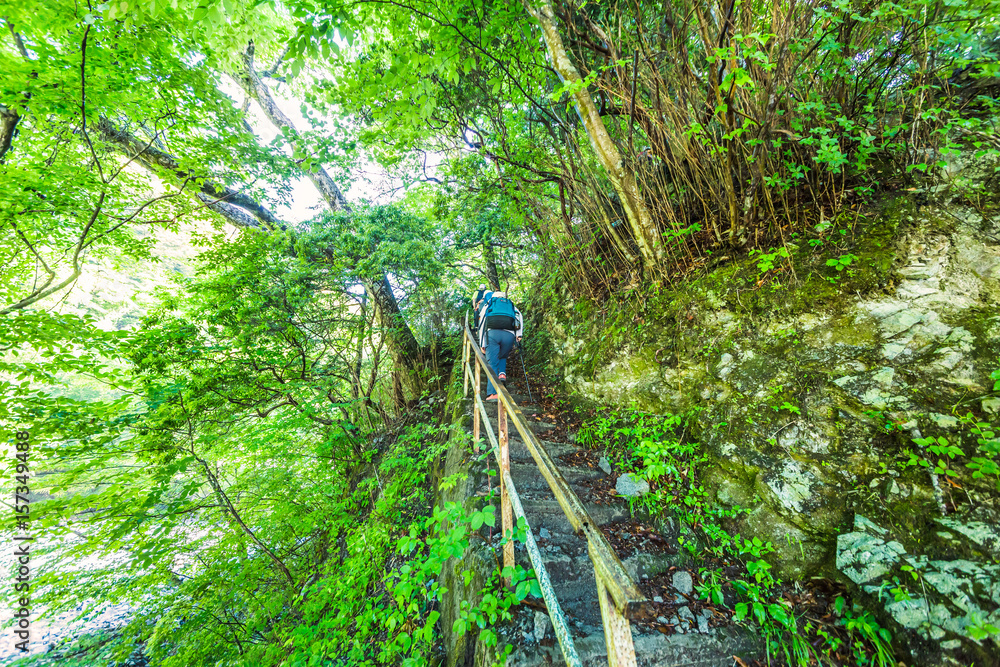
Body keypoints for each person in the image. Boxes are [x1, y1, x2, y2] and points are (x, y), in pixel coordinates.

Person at [476, 291, 523, 401]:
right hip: (509, 335)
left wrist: (482, 343)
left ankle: (493, 393)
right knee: (502, 356)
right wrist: (519, 334)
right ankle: (502, 373)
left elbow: (482, 322)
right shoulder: (510, 304)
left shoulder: (489, 304)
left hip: (492, 334)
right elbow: (519, 317)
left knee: (492, 362)